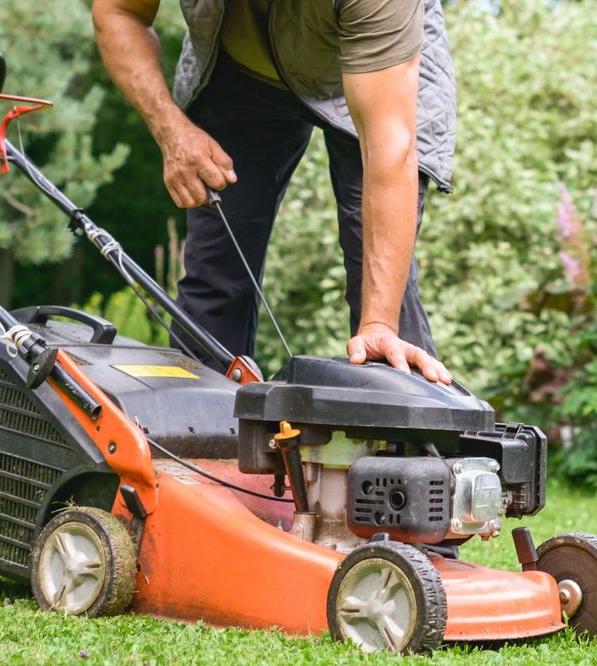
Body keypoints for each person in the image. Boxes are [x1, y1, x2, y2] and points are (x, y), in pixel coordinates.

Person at [92, 0, 455, 384]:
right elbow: (119, 12)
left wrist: (380, 323)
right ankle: (194, 437)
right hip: (243, 70)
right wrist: (172, 131)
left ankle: (405, 431)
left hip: (372, 68)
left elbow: (390, 146)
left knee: (381, 301)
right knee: (215, 276)